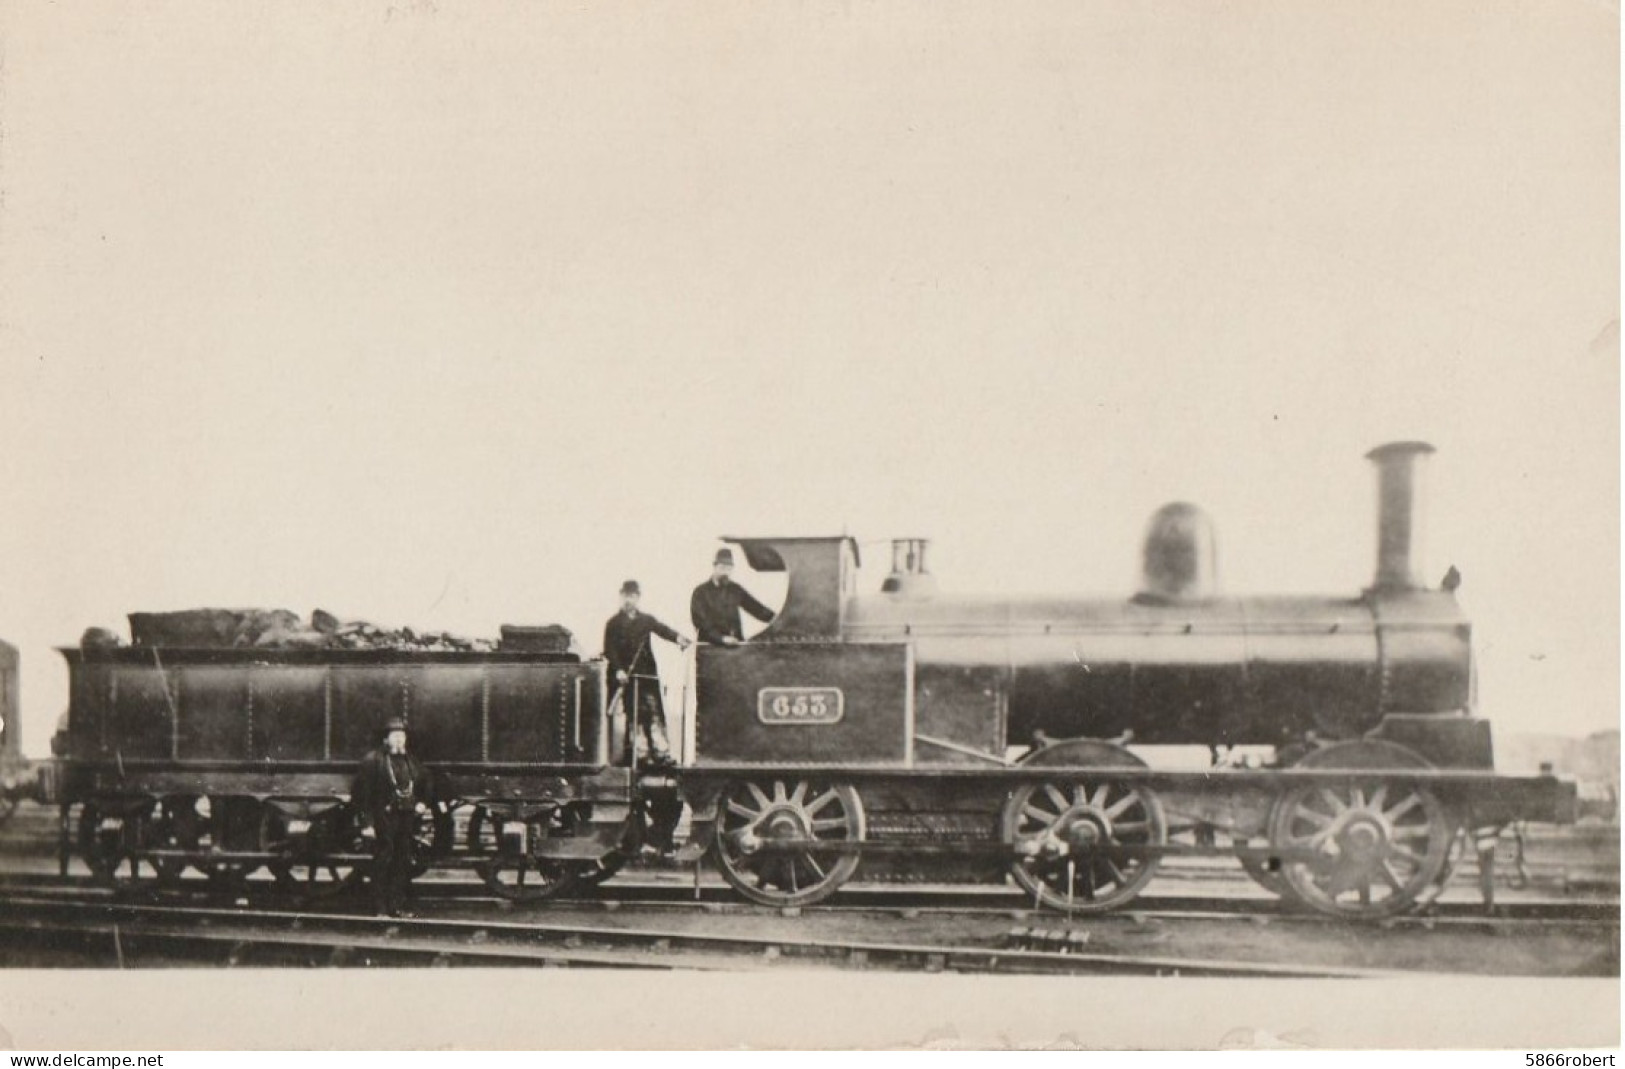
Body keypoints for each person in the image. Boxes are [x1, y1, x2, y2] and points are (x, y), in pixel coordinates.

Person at [603, 579, 692, 768]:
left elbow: (663, 630)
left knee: (655, 713)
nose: (629, 600)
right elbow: (609, 649)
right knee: (634, 716)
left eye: (633, 596)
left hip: (647, 677)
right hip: (626, 680)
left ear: (638, 598)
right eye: (626, 596)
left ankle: (661, 753)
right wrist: (618, 670)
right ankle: (640, 754)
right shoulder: (613, 624)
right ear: (621, 597)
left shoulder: (646, 620)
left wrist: (679, 639)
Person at [351, 718, 435, 917]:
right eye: (395, 737)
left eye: (402, 737)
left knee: (402, 861)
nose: (399, 741)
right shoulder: (373, 761)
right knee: (383, 860)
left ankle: (396, 906)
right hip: (383, 818)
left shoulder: (411, 761)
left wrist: (423, 802)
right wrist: (367, 823)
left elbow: (427, 780)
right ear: (386, 739)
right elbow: (361, 795)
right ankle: (379, 908)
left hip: (406, 819)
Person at [690, 548, 776, 645]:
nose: (726, 572)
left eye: (729, 568)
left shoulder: (735, 589)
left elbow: (758, 609)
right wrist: (721, 639)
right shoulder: (700, 592)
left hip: (735, 646)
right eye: (722, 568)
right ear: (714, 567)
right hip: (710, 648)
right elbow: (701, 623)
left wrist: (778, 619)